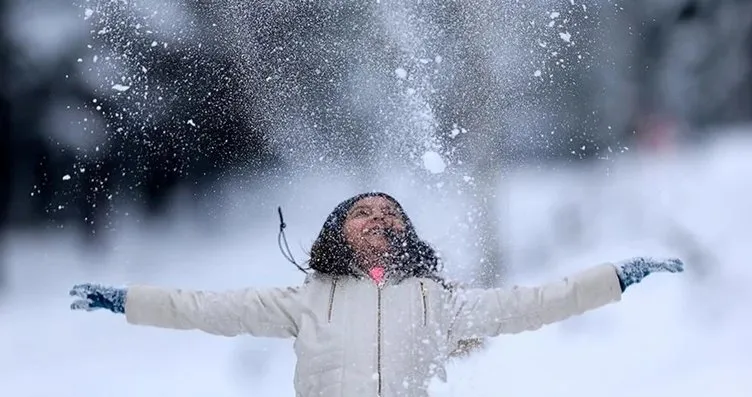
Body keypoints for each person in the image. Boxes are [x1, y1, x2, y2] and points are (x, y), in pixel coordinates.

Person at [70, 192, 684, 397]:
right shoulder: (306, 299)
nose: (378, 219)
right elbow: (201, 308)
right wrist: (125, 300)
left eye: (390, 212)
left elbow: (533, 303)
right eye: (362, 212)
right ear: (337, 231)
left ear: (406, 233)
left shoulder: (435, 300)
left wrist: (616, 278)